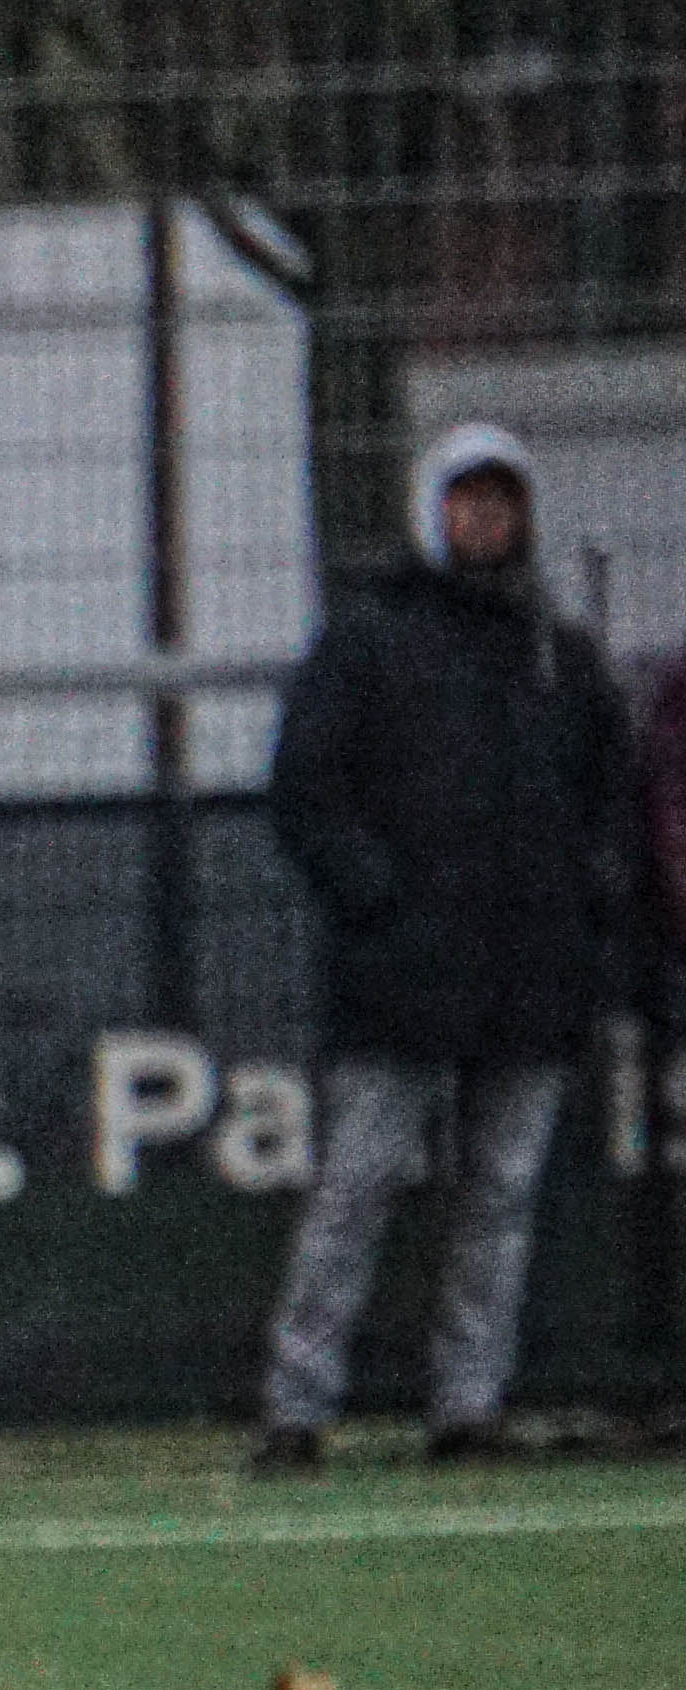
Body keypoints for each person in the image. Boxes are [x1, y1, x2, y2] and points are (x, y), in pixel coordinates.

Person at [252, 423, 644, 1472]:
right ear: (433, 510)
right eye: (466, 500)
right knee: (358, 1188)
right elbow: (306, 789)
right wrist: (378, 902)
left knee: (500, 1199)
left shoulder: (559, 654)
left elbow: (613, 796)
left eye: (500, 501)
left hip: (527, 979)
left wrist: (587, 901)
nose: (483, 520)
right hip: (405, 980)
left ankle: (468, 1407)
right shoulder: (370, 640)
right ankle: (297, 1406)